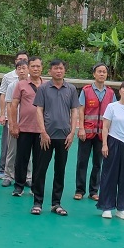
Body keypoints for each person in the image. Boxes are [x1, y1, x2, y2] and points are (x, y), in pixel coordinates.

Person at [30, 59, 81, 216]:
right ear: (50, 71)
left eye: (61, 68)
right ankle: (37, 203)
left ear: (64, 71)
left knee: (60, 170)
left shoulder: (71, 89)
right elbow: (39, 110)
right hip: (46, 136)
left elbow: (74, 111)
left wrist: (72, 132)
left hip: (64, 137)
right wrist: (43, 132)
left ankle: (56, 203)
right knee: (40, 170)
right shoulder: (43, 88)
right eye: (55, 68)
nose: (58, 71)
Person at [97, 81, 124, 219]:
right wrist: (105, 144)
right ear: (120, 91)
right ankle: (106, 207)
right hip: (113, 143)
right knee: (109, 175)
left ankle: (123, 208)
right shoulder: (112, 107)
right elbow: (105, 127)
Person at [74, 64, 115, 201]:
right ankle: (80, 190)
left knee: (98, 163)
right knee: (82, 162)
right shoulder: (86, 90)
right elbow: (81, 110)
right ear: (94, 74)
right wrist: (81, 128)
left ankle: (94, 191)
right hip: (86, 133)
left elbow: (113, 113)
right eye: (99, 71)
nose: (102, 74)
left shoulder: (110, 93)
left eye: (104, 72)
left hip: (102, 134)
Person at [9, 56, 44, 198]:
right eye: (33, 66)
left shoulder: (47, 85)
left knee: (39, 161)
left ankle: (36, 187)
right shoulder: (21, 85)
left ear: (42, 68)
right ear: (28, 68)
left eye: (38, 66)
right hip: (24, 128)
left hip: (41, 130)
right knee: (21, 159)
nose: (35, 69)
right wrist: (14, 125)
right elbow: (13, 105)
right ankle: (19, 186)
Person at [0, 52, 29, 185]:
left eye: (24, 68)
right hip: (14, 122)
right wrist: (10, 122)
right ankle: (8, 175)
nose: (21, 71)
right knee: (10, 150)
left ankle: (28, 177)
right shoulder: (11, 84)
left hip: (28, 122)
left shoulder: (33, 84)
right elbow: (8, 104)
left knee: (28, 151)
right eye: (19, 68)